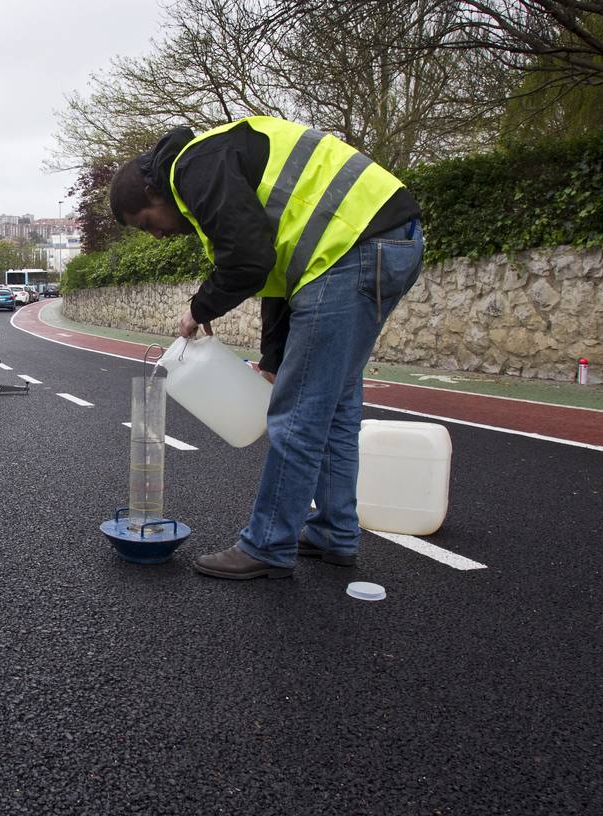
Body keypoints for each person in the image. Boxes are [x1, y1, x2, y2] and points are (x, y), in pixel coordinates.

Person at [110, 117, 423, 580]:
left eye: (146, 223)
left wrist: (199, 308)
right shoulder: (212, 164)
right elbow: (278, 276)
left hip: (350, 250)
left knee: (295, 414)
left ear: (153, 194)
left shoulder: (194, 168)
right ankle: (333, 533)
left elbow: (249, 260)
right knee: (333, 408)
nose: (156, 234)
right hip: (379, 242)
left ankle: (267, 544)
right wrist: (274, 359)